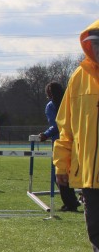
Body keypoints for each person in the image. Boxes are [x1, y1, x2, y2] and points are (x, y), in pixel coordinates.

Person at [55, 23, 99, 252]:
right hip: (91, 178)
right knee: (96, 236)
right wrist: (61, 164)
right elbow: (66, 127)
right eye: (94, 44)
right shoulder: (78, 78)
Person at [40, 81, 80, 212]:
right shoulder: (71, 101)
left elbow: (57, 125)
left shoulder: (51, 106)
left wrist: (45, 134)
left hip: (60, 141)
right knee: (76, 170)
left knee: (59, 173)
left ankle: (70, 203)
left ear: (49, 93)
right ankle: (79, 198)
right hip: (76, 140)